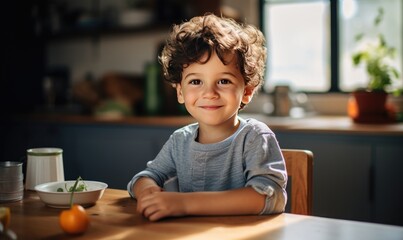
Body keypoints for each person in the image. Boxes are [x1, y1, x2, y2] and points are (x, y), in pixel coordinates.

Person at [127, 13, 287, 221]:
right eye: (195, 82)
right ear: (180, 92)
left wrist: (185, 204)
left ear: (247, 91)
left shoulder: (255, 137)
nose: (209, 93)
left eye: (224, 81)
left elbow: (270, 196)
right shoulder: (180, 140)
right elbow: (144, 178)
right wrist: (148, 193)